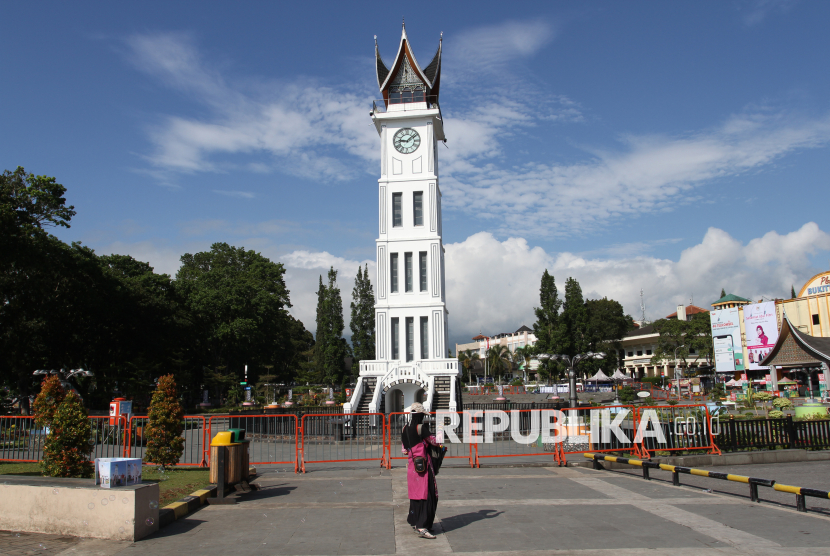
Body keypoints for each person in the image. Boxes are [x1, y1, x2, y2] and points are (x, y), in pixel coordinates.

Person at [401, 402, 439, 539]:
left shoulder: (405, 428)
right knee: (427, 494)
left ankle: (416, 521)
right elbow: (436, 441)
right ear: (421, 416)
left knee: (415, 494)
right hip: (424, 466)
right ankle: (423, 525)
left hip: (412, 466)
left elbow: (404, 450)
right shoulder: (421, 428)